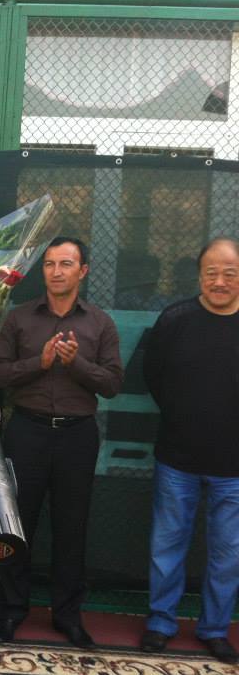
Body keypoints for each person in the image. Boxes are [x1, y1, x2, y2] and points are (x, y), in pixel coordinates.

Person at [0, 236, 123, 649]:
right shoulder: (20, 319)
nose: (56, 271)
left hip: (77, 436)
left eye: (66, 264)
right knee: (17, 525)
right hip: (25, 431)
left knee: (71, 527)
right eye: (49, 264)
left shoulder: (100, 323)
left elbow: (114, 383)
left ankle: (67, 615)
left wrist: (75, 363)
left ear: (83, 271)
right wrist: (39, 363)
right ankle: (11, 610)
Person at [140, 238, 239, 665]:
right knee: (167, 547)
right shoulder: (175, 319)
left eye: (230, 273)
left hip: (235, 467)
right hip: (177, 459)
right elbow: (154, 377)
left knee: (228, 554)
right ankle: (161, 622)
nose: (220, 281)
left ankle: (215, 629)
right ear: (198, 275)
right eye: (211, 272)